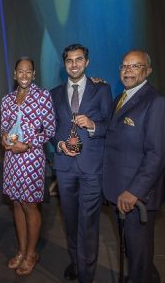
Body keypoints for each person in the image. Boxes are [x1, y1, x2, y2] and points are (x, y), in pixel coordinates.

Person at [103, 50, 165, 283]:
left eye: (135, 66)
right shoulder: (120, 99)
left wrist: (134, 192)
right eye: (124, 66)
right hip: (118, 192)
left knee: (139, 254)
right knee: (133, 251)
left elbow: (156, 154)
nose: (128, 71)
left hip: (136, 196)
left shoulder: (157, 102)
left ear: (148, 71)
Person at [49, 44, 112, 282]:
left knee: (88, 222)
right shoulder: (54, 93)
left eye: (79, 59)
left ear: (87, 62)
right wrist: (59, 144)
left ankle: (87, 274)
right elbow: (52, 129)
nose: (74, 64)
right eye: (69, 61)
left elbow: (109, 125)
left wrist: (93, 125)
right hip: (65, 167)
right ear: (64, 64)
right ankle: (76, 263)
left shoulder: (102, 89)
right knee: (71, 219)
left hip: (91, 168)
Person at [0, 57, 55, 276]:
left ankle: (32, 253)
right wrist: (4, 139)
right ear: (14, 74)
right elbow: (4, 127)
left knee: (30, 204)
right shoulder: (7, 99)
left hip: (32, 158)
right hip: (12, 158)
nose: (24, 75)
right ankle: (22, 251)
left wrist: (29, 144)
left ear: (34, 75)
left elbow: (49, 130)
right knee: (16, 202)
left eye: (28, 72)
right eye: (20, 72)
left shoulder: (43, 96)